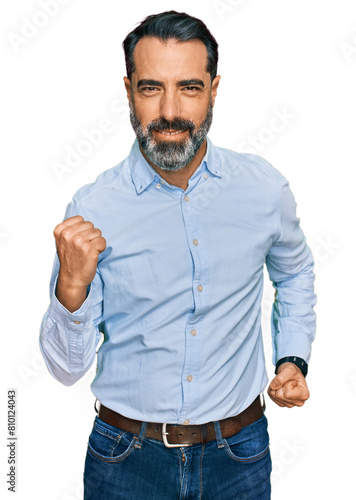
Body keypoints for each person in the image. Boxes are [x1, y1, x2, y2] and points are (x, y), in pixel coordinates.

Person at [39, 10, 316, 500]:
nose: (169, 110)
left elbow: (294, 272)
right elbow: (65, 370)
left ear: (213, 89)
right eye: (150, 88)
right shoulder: (92, 209)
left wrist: (292, 359)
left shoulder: (264, 190)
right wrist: (71, 290)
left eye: (188, 87)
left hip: (240, 455)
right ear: (128, 91)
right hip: (125, 461)